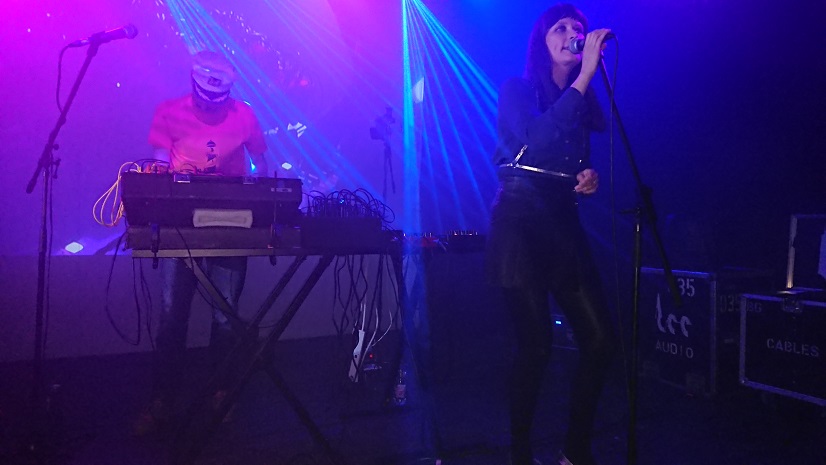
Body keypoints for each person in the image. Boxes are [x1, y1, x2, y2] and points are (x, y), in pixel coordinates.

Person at [485, 4, 616, 465]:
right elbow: (535, 138)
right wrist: (586, 76)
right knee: (536, 347)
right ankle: (520, 455)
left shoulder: (576, 104)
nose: (571, 34)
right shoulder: (517, 89)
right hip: (519, 222)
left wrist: (587, 176)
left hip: (562, 220)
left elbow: (567, 158)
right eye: (559, 28)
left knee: (600, 340)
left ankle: (574, 452)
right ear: (542, 41)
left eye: (577, 28)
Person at [135, 50, 269, 434]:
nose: (212, 106)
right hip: (182, 226)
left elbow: (262, 162)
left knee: (225, 316)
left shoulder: (244, 115)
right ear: (194, 86)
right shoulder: (169, 111)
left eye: (219, 100)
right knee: (171, 316)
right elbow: (159, 166)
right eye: (205, 99)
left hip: (231, 224)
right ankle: (163, 400)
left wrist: (264, 194)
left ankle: (221, 393)